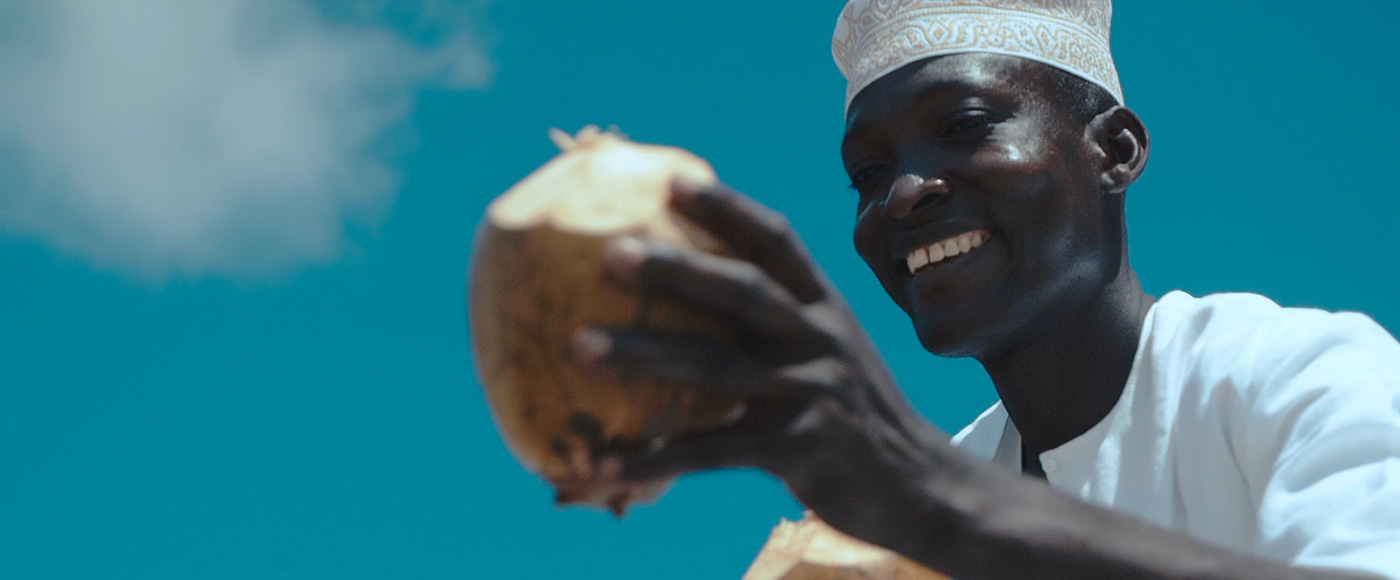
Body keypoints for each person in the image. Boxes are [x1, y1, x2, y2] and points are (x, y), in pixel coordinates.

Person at [569, 1, 1400, 578]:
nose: (903, 194)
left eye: (965, 126)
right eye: (869, 171)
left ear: (1115, 152)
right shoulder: (923, 491)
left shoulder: (1302, 378)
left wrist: (937, 500)